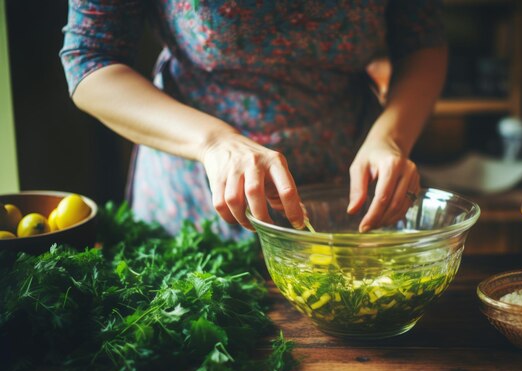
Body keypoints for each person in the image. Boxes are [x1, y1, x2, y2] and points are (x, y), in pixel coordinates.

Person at [60, 0, 447, 239]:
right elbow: (90, 58)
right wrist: (213, 142)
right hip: (192, 191)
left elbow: (422, 42)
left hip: (346, 178)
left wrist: (390, 138)